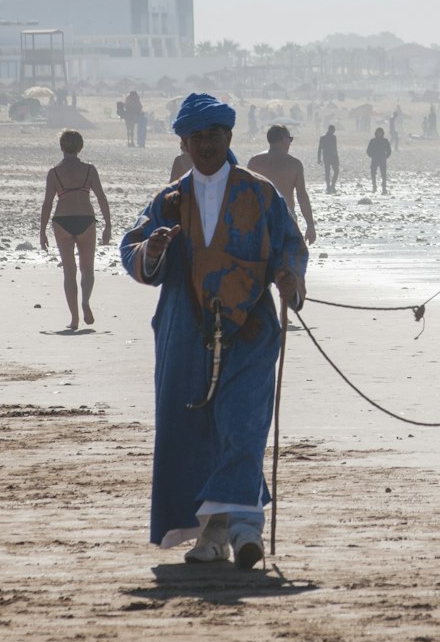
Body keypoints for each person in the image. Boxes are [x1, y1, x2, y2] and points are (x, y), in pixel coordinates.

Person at [120, 93, 308, 569]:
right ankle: (218, 530)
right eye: (197, 137)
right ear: (184, 142)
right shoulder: (169, 200)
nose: (206, 144)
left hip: (251, 331)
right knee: (194, 432)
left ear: (228, 138)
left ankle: (240, 529)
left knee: (241, 426)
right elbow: (133, 250)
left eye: (215, 136)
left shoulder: (260, 192)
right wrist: (155, 248)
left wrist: (289, 276)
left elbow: (289, 245)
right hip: (185, 333)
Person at [39, 129, 112, 331]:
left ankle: (74, 319)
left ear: (61, 147)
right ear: (80, 147)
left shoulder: (54, 172)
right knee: (87, 268)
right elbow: (101, 197)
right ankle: (85, 301)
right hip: (86, 220)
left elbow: (47, 203)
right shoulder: (89, 170)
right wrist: (108, 225)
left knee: (69, 272)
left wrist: (42, 231)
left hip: (62, 221)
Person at [247, 125, 317, 245]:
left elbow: (247, 194)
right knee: (285, 259)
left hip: (260, 217)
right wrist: (310, 225)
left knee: (261, 258)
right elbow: (302, 196)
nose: (290, 142)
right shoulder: (294, 164)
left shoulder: (254, 162)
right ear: (283, 140)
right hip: (286, 216)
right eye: (290, 139)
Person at [367, 126, 392, 193]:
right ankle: (374, 186)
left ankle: (384, 187)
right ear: (376, 133)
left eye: (380, 132)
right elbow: (368, 150)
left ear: (382, 133)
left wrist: (386, 156)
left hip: (382, 159)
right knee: (373, 173)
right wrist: (372, 156)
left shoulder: (385, 141)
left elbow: (389, 150)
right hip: (374, 159)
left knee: (383, 174)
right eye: (378, 132)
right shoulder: (373, 141)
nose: (379, 134)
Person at [317, 124, 340, 192]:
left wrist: (337, 158)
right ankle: (328, 186)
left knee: (336, 171)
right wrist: (319, 159)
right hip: (326, 156)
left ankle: (332, 185)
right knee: (328, 172)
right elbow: (320, 148)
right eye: (333, 130)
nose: (333, 132)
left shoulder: (334, 137)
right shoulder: (323, 137)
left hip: (333, 157)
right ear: (330, 130)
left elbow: (335, 148)